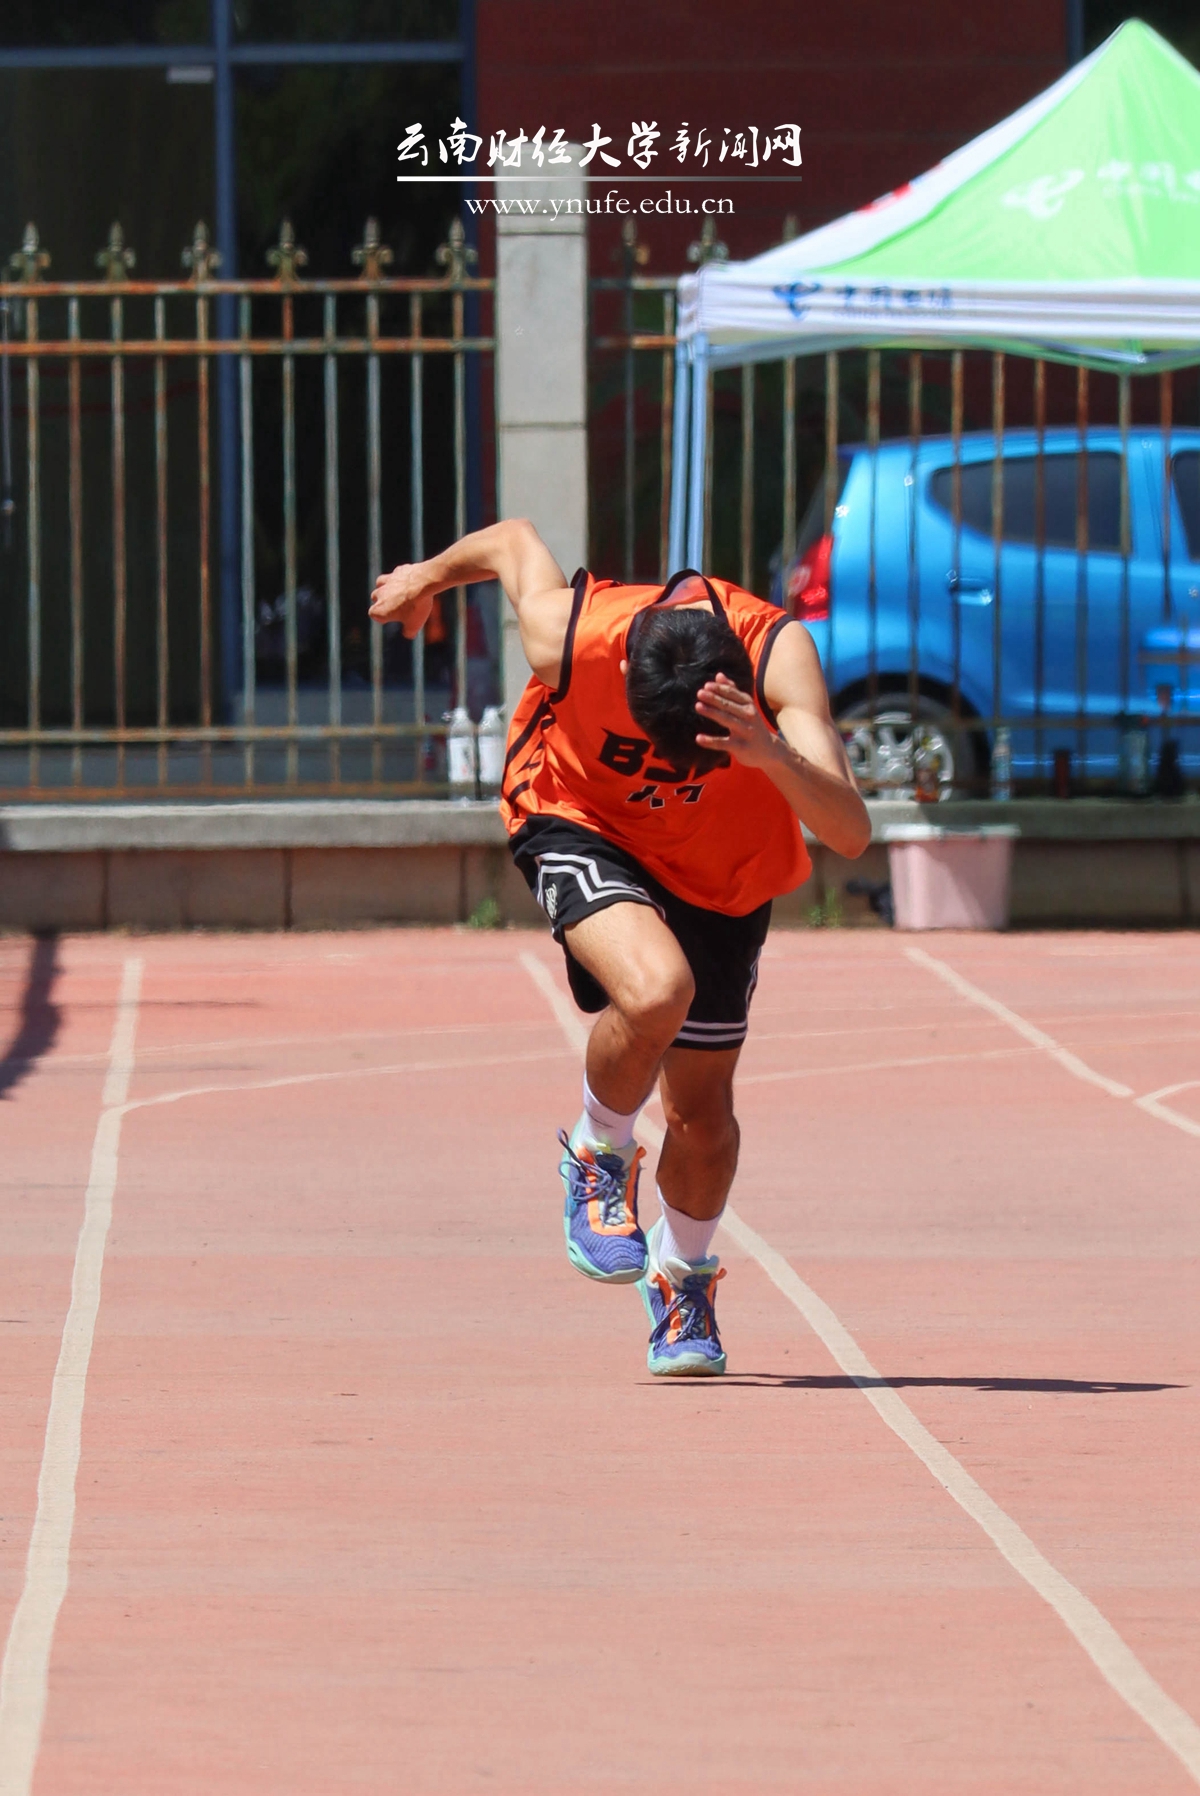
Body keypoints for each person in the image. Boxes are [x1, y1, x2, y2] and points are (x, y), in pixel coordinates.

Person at [370, 520, 870, 1377]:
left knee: (702, 1117)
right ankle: (600, 1150)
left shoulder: (778, 654)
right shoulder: (572, 634)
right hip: (583, 820)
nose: (677, 769)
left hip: (723, 869)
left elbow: (850, 832)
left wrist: (769, 752)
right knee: (656, 990)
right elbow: (512, 543)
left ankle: (682, 1278)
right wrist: (427, 575)